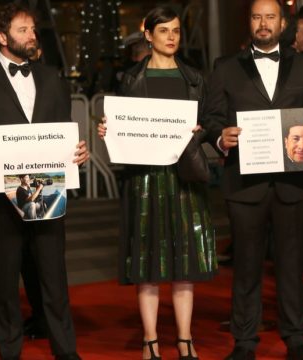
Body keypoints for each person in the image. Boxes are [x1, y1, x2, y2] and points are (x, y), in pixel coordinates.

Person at [0, 4, 88, 359]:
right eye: (23, 29)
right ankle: (9, 350)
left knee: (54, 277)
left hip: (49, 185)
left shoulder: (52, 78)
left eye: (33, 29)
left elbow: (62, 133)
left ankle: (66, 351)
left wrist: (78, 152)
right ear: (2, 37)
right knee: (7, 278)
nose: (32, 35)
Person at [201, 1, 303, 359]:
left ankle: (296, 338)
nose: (263, 24)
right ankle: (244, 342)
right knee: (246, 266)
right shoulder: (225, 67)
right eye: (257, 17)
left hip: (293, 183)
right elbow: (211, 118)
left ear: (283, 23)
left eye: (270, 17)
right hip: (245, 184)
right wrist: (219, 137)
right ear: (250, 22)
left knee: (293, 264)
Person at [96, 7, 216, 360]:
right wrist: (108, 131)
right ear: (148, 35)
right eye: (163, 31)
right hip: (144, 178)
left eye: (176, 31)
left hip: (183, 177)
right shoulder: (129, 79)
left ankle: (184, 339)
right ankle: (150, 340)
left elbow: (210, 120)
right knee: (146, 260)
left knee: (184, 262)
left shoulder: (194, 78)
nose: (171, 37)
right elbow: (123, 127)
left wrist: (202, 130)